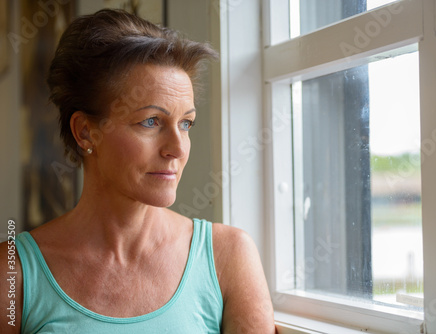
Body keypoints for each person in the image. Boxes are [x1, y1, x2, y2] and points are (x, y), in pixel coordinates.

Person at [0, 9, 276, 333]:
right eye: (151, 122)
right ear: (86, 132)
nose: (178, 148)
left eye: (186, 123)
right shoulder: (13, 273)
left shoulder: (228, 257)